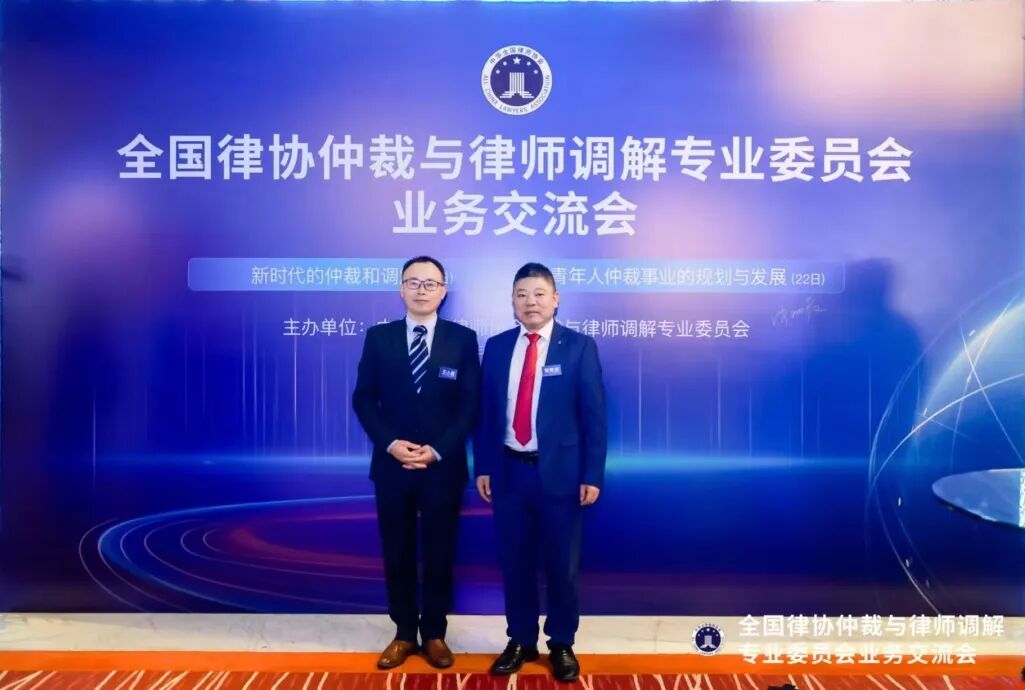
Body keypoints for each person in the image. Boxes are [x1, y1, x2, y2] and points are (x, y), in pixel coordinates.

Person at [473, 262, 607, 683]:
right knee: (515, 562)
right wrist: (485, 466)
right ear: (512, 301)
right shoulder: (497, 346)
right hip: (509, 473)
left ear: (555, 299)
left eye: (538, 294)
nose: (530, 302)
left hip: (561, 476)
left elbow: (594, 416)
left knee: (561, 565)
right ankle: (520, 640)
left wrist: (592, 473)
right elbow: (486, 413)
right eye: (521, 294)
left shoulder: (578, 347)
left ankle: (562, 642)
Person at [352, 256, 480, 669]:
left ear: (443, 291)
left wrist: (438, 449)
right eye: (414, 282)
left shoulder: (463, 339)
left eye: (430, 283)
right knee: (398, 551)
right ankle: (405, 632)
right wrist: (391, 444)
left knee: (441, 551)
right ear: (401, 289)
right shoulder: (379, 337)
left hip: (443, 466)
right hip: (392, 466)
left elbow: (469, 404)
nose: (422, 290)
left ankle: (436, 634)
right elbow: (363, 398)